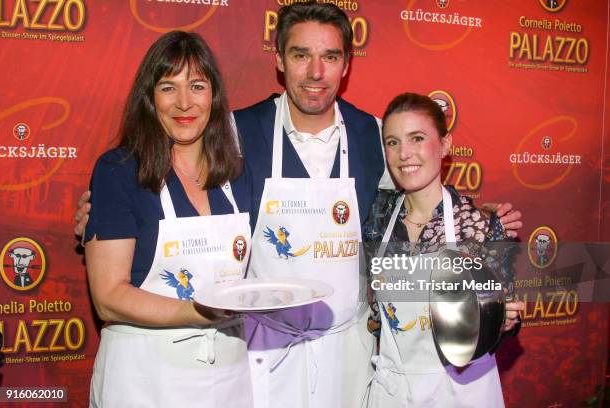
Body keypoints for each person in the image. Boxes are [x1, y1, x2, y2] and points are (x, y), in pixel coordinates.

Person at [74, 3, 523, 407]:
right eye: (300, 55)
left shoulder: (372, 136)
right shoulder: (232, 133)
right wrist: (101, 216)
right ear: (278, 60)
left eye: (329, 57)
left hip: (349, 352)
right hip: (261, 355)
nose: (315, 72)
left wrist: (480, 217)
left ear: (346, 65)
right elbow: (164, 183)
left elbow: (418, 190)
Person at [83, 31, 253, 407]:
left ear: (214, 96)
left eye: (196, 86)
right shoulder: (120, 171)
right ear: (150, 98)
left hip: (228, 374)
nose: (184, 103)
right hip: (144, 377)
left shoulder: (238, 176)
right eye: (167, 87)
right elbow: (108, 297)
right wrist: (194, 311)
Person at [363, 93, 524, 407]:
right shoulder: (377, 219)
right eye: (393, 142)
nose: (404, 154)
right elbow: (374, 316)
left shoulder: (478, 226)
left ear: (446, 145)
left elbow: (503, 320)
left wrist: (504, 321)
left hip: (460, 392)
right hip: (395, 391)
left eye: (417, 138)